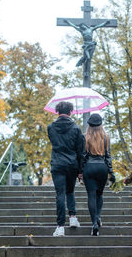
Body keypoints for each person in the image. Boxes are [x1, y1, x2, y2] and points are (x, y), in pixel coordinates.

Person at [47, 101, 84, 237]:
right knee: (70, 191)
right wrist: (80, 171)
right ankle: (73, 218)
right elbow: (80, 151)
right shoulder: (76, 128)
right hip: (72, 164)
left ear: (57, 111)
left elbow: (54, 142)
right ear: (71, 111)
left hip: (57, 164)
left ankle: (60, 226)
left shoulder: (50, 127)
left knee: (60, 194)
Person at [82, 113, 115, 236]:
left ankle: (94, 224)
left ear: (89, 125)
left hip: (89, 168)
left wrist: (80, 171)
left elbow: (83, 156)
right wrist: (111, 173)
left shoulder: (85, 137)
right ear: (101, 125)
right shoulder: (106, 137)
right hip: (102, 168)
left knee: (91, 195)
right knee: (99, 194)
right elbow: (108, 157)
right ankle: (98, 217)